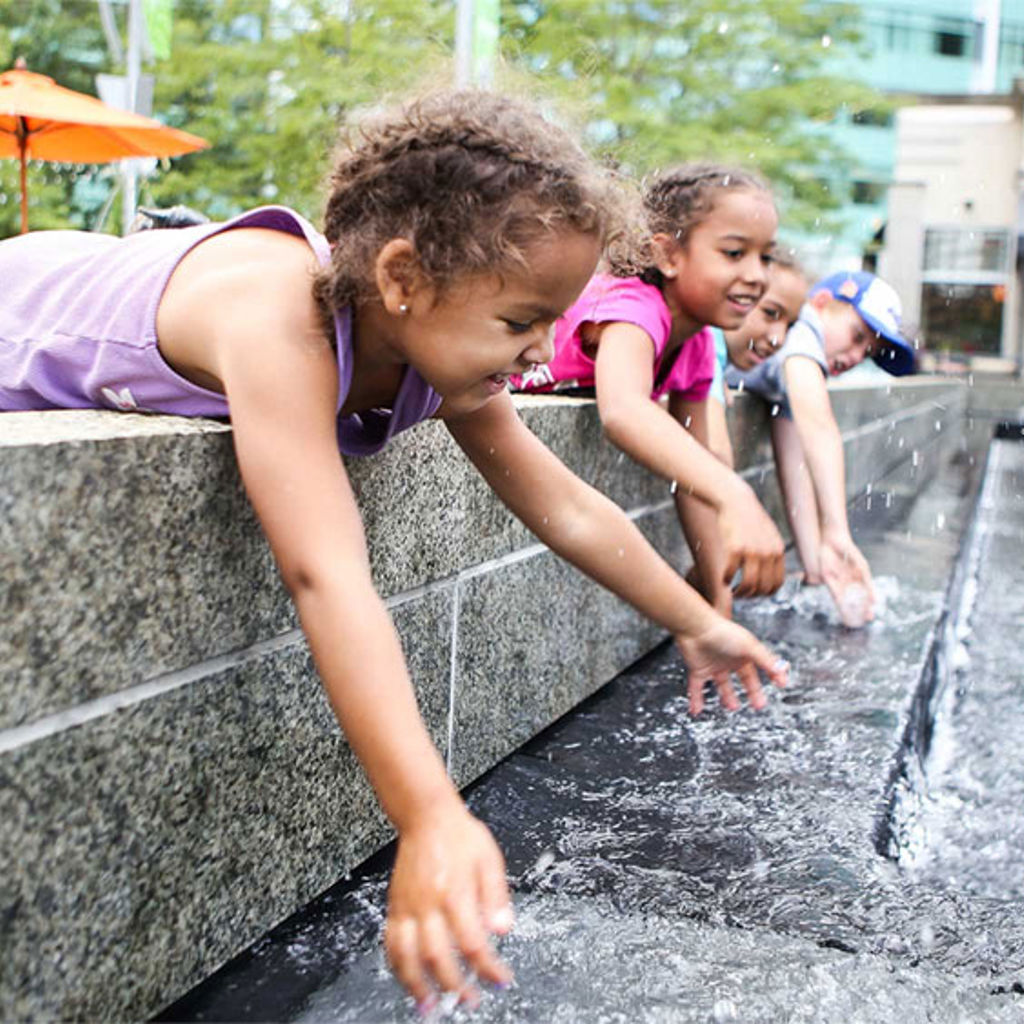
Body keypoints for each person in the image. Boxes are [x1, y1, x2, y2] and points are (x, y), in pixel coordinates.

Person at [0, 92, 789, 1012]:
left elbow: (567, 507)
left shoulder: (432, 341)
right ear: (404, 275)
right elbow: (326, 574)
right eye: (521, 321)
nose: (541, 352)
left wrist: (697, 624)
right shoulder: (277, 319)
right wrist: (427, 817)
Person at [514, 163, 787, 620]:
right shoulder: (633, 307)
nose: (758, 275)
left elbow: (694, 472)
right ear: (668, 255)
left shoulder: (698, 341)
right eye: (735, 253)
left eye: (767, 256)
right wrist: (736, 494)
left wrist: (717, 612)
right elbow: (622, 411)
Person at [726, 270, 916, 627]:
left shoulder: (794, 362)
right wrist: (837, 532)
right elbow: (819, 424)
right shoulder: (801, 329)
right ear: (822, 303)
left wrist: (818, 567)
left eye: (868, 353)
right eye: (858, 336)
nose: (856, 355)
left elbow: (794, 463)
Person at [705, 247, 809, 468]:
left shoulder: (736, 360)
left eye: (790, 326)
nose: (778, 339)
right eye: (770, 313)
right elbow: (715, 452)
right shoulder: (706, 342)